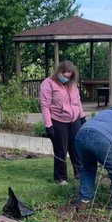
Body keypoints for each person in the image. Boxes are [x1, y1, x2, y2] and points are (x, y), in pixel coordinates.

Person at [39, 59, 86, 187]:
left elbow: (78, 101)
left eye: (69, 77)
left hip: (74, 119)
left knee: (76, 148)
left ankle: (79, 173)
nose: (67, 79)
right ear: (59, 72)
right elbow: (45, 106)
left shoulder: (72, 84)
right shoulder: (48, 84)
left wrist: (82, 117)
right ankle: (61, 178)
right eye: (65, 76)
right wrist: (49, 125)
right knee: (61, 150)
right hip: (58, 120)